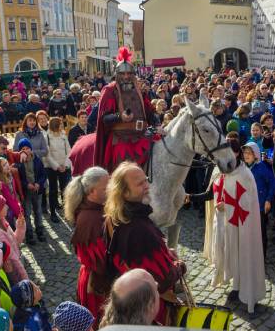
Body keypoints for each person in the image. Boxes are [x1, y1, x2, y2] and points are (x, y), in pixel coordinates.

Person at [103, 163, 184, 324]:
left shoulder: (112, 217)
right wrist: (180, 265)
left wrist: (164, 253)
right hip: (151, 310)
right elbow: (162, 280)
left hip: (129, 302)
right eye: (140, 184)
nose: (147, 186)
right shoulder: (140, 229)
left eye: (146, 180)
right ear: (124, 192)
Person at [207, 139, 265, 313]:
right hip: (230, 222)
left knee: (244, 252)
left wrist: (228, 205)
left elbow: (247, 202)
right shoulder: (226, 172)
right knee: (232, 252)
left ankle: (247, 291)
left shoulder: (245, 174)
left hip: (243, 223)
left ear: (237, 153)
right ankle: (236, 285)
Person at [94, 48, 160, 171]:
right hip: (121, 138)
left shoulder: (139, 89)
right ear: (117, 74)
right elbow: (104, 119)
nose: (126, 76)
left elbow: (149, 111)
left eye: (129, 73)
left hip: (142, 135)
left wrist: (157, 124)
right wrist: (120, 116)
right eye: (122, 74)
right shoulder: (109, 91)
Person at [63, 167, 109, 322]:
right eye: (105, 187)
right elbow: (102, 262)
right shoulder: (90, 219)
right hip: (96, 284)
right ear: (91, 191)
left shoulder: (96, 209)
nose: (110, 190)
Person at [15, 139, 46, 245]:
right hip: (26, 191)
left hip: (37, 189)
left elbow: (43, 174)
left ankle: (40, 230)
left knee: (38, 211)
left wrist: (39, 183)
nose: (26, 151)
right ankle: (29, 234)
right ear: (20, 151)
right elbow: (19, 178)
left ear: (31, 149)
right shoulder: (19, 162)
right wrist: (26, 184)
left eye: (27, 148)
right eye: (23, 149)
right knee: (27, 213)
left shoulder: (37, 159)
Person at [43, 117, 71, 222]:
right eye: (60, 124)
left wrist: (65, 165)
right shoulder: (47, 137)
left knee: (65, 189)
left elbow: (68, 150)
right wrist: (57, 166)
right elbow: (47, 155)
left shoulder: (63, 135)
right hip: (52, 168)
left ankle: (66, 211)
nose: (62, 125)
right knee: (53, 190)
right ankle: (53, 212)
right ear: (55, 125)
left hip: (64, 166)